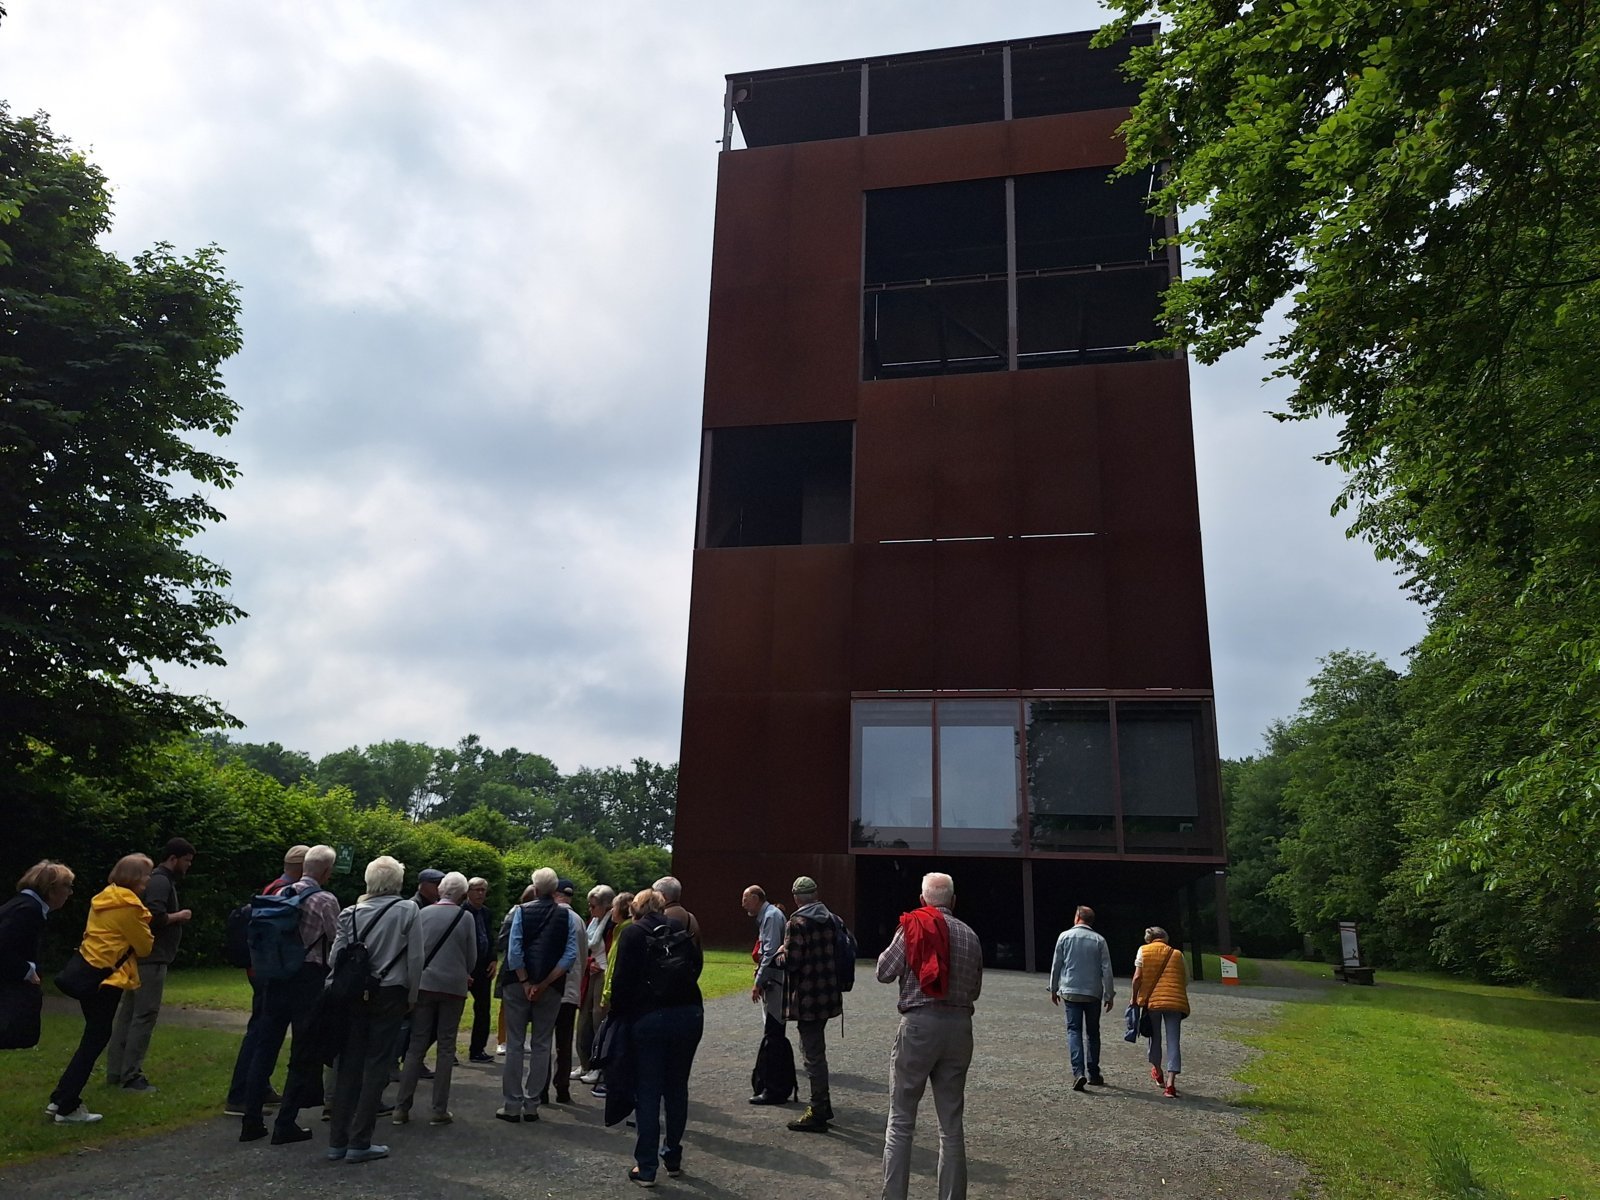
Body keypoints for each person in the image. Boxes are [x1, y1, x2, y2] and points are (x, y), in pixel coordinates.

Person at [876, 871, 984, 1200]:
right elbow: (975, 990)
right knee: (951, 1125)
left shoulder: (913, 926)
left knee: (901, 1120)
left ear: (922, 900)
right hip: (959, 1027)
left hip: (919, 1025)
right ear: (954, 901)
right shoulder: (971, 936)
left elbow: (883, 971)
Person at [239, 844, 341, 1144]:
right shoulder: (325, 900)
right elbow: (337, 940)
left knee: (265, 1047)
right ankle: (285, 1123)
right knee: (303, 1050)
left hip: (274, 975)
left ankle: (251, 1121)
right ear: (326, 871)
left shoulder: (280, 893)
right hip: (307, 979)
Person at [48, 854, 155, 1124]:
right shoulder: (130, 906)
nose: (149, 879)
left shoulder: (103, 898)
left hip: (89, 972)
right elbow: (144, 946)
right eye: (146, 874)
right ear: (135, 877)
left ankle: (60, 1098)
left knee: (93, 1038)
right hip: (108, 979)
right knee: (94, 1040)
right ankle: (66, 1105)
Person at [608, 888, 704, 1187]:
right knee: (677, 1087)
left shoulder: (632, 934)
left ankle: (646, 1167)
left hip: (650, 1017)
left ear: (635, 909)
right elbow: (696, 965)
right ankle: (672, 1156)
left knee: (648, 1090)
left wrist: (619, 1018)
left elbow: (621, 983)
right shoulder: (679, 928)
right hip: (688, 1013)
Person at [328, 855, 419, 1162]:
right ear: (397, 882)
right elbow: (415, 958)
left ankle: (337, 1140)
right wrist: (413, 995)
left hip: (354, 992)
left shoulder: (350, 913)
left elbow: (336, 958)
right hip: (391, 992)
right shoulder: (408, 910)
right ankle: (360, 1140)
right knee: (377, 1064)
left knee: (349, 1065)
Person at [104, 836, 194, 1091]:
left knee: (129, 1015)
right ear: (173, 858)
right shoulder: (161, 881)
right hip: (151, 958)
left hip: (141, 958)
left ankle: (116, 1071)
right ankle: (131, 1075)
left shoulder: (158, 880)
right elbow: (153, 917)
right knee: (143, 1015)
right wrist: (179, 916)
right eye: (186, 861)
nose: (188, 866)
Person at [224, 844, 306, 1116]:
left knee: (264, 1030)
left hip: (259, 968)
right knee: (261, 1033)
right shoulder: (287, 892)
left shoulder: (272, 887)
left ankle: (259, 1088)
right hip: (269, 971)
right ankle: (240, 1096)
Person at [395, 870, 477, 1126]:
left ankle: (401, 1108)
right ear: (463, 894)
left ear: (441, 889)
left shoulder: (422, 914)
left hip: (424, 984)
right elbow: (472, 957)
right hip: (453, 987)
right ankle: (438, 1109)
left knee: (416, 1045)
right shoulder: (466, 917)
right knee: (446, 1047)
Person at [497, 867, 578, 1122]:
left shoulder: (521, 911)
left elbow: (514, 951)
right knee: (542, 1045)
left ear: (534, 887)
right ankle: (532, 1104)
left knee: (515, 1044)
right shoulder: (567, 916)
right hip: (551, 987)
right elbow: (570, 955)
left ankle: (512, 1105)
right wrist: (544, 983)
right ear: (554, 889)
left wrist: (525, 982)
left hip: (517, 984)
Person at [776, 875, 843, 1132]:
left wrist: (779, 955)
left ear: (796, 898)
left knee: (812, 1055)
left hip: (806, 997)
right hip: (827, 994)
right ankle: (823, 1106)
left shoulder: (796, 923)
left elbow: (792, 962)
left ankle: (818, 1109)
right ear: (815, 895)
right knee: (817, 1051)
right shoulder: (832, 919)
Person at [0, 861, 74, 1051]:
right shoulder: (29, 910)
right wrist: (27, 970)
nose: (70, 893)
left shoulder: (20, 905)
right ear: (52, 889)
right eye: (67, 886)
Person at [1048, 904, 1115, 1091]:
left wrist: (1053, 988)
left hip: (1070, 990)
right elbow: (1107, 970)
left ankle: (1078, 1072)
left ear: (1077, 917)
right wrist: (1109, 994)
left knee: (1074, 1030)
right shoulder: (1099, 940)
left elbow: (1057, 964)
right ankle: (1094, 1073)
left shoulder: (1064, 936)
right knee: (1093, 1032)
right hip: (1093, 992)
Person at [742, 884, 791, 1105]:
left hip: (775, 983)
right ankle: (774, 1085)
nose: (743, 904)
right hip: (776, 981)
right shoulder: (769, 916)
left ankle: (773, 1089)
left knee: (774, 1034)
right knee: (775, 1033)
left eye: (746, 899)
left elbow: (770, 952)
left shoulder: (770, 916)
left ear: (756, 898)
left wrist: (758, 982)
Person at [1131, 926, 1190, 1098]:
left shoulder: (1143, 951)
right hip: (1175, 1002)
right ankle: (1171, 1084)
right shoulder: (1177, 954)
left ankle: (1157, 1071)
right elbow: (1186, 979)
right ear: (1165, 938)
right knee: (1173, 1040)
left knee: (1154, 1037)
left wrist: (1134, 998)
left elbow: (1137, 978)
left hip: (1153, 1002)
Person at [542, 878, 586, 1105]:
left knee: (543, 1040)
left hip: (548, 988)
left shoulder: (548, 916)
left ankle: (540, 1089)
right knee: (564, 1042)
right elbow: (583, 956)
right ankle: (563, 1088)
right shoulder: (578, 920)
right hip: (570, 989)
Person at [591, 889, 634, 1098]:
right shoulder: (620, 929)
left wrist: (606, 995)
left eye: (614, 908)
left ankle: (611, 1082)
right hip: (615, 991)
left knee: (613, 1038)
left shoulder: (625, 931)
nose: (611, 911)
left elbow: (614, 967)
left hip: (616, 994)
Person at [574, 883, 616, 1082]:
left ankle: (599, 1067)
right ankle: (585, 1064)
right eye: (589, 906)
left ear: (607, 906)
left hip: (604, 974)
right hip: (590, 973)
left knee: (598, 1018)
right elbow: (586, 947)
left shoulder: (613, 924)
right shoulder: (592, 922)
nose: (590, 910)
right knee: (583, 1019)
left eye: (593, 906)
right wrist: (589, 962)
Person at [464, 877, 496, 1063]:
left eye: (483, 890)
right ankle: (449, 1050)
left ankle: (477, 1049)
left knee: (483, 1009)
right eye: (477, 889)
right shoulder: (462, 911)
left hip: (483, 967)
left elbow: (489, 937)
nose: (480, 893)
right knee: (454, 1010)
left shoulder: (486, 912)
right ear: (468, 892)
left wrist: (493, 959)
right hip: (465, 966)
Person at [653, 875, 702, 947]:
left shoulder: (661, 917)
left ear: (663, 896)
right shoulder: (691, 918)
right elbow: (698, 948)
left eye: (654, 894)